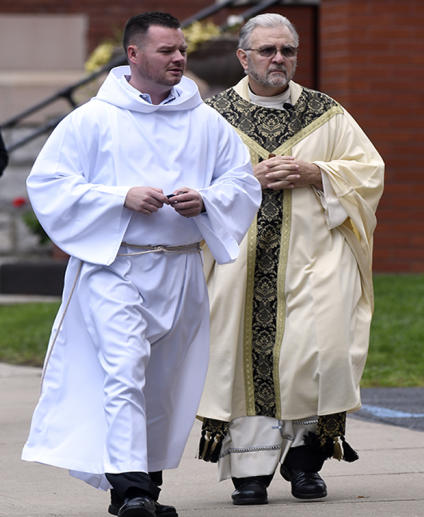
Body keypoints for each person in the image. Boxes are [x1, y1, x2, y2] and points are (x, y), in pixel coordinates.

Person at [20, 12, 262, 517]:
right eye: (166, 51)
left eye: (181, 51)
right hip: (118, 269)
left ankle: (146, 491)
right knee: (123, 374)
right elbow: (49, 185)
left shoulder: (205, 121)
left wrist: (208, 202)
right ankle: (129, 492)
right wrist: (119, 197)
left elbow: (241, 183)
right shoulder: (93, 119)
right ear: (134, 54)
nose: (178, 59)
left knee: (165, 384)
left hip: (180, 269)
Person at [195, 13, 385, 506]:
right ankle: (251, 472)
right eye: (266, 51)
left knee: (318, 357)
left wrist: (315, 171)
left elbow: (369, 172)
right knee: (242, 363)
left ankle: (306, 463)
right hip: (239, 264)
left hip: (316, 261)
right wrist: (247, 182)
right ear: (243, 57)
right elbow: (187, 183)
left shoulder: (327, 112)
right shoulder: (211, 117)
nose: (278, 59)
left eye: (287, 51)